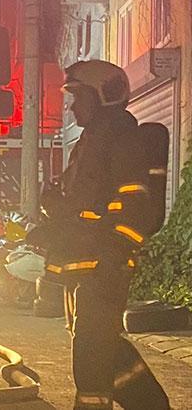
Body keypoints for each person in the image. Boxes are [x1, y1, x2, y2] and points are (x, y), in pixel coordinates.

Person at [27, 60, 169, 409]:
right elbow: (83, 209)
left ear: (103, 95)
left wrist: (113, 255)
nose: (72, 107)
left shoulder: (122, 140)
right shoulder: (91, 142)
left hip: (103, 267)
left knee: (92, 355)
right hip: (86, 265)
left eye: (78, 97)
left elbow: (134, 207)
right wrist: (52, 220)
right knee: (104, 348)